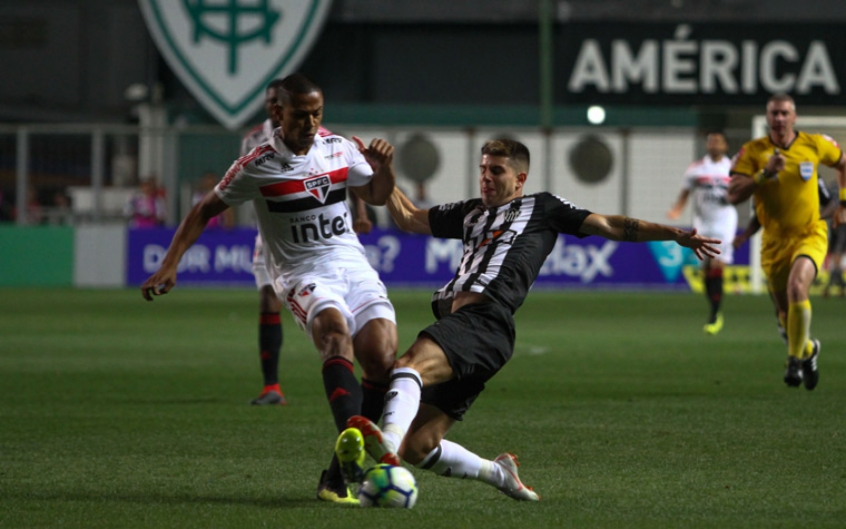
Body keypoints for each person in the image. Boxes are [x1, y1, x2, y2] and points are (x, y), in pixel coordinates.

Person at [336, 139, 720, 501]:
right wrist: (376, 171)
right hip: (477, 334)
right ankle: (498, 473)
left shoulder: (543, 208)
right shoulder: (470, 213)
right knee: (418, 446)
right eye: (484, 169)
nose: (486, 177)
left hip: (485, 320)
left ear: (519, 179)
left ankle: (384, 454)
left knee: (407, 367)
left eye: (497, 171)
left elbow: (609, 225)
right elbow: (408, 218)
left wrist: (672, 233)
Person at [141, 73, 398, 504]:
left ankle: (337, 475)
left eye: (318, 113)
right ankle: (355, 440)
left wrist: (385, 169)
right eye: (301, 115)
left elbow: (373, 193)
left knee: (382, 358)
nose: (311, 123)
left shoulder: (338, 148)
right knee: (335, 337)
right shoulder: (256, 164)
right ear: (276, 112)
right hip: (300, 272)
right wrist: (171, 263)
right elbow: (204, 210)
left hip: (351, 264)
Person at [241, 79, 374, 407]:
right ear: (273, 107)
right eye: (272, 99)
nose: (309, 118)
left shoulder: (320, 135)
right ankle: (271, 384)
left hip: (323, 238)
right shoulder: (252, 141)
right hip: (274, 233)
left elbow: (349, 175)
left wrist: (360, 210)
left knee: (346, 328)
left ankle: (357, 392)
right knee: (267, 300)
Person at [728, 93, 846, 390]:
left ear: (794, 117)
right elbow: (733, 194)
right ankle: (808, 350)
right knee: (784, 314)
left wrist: (843, 203)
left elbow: (843, 163)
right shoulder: (753, 151)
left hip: (810, 233)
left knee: (798, 287)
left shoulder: (814, 144)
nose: (779, 118)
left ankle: (794, 362)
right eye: (774, 114)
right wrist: (764, 174)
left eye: (784, 113)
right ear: (767, 118)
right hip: (774, 243)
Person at [733, 178, 836, 343]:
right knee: (781, 303)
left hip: (806, 239)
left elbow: (831, 203)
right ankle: (797, 338)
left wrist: (816, 218)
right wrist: (744, 236)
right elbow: (759, 216)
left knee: (796, 285)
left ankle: (799, 349)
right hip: (776, 245)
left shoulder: (808, 170)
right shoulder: (766, 180)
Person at [667, 131, 737, 335]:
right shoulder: (696, 169)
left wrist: (734, 197)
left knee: (717, 265)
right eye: (711, 141)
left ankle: (715, 314)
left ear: (725, 146)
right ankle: (715, 309)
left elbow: (743, 190)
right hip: (702, 222)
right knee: (706, 270)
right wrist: (677, 208)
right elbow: (686, 191)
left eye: (718, 142)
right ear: (707, 145)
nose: (714, 145)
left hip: (724, 221)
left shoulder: (733, 167)